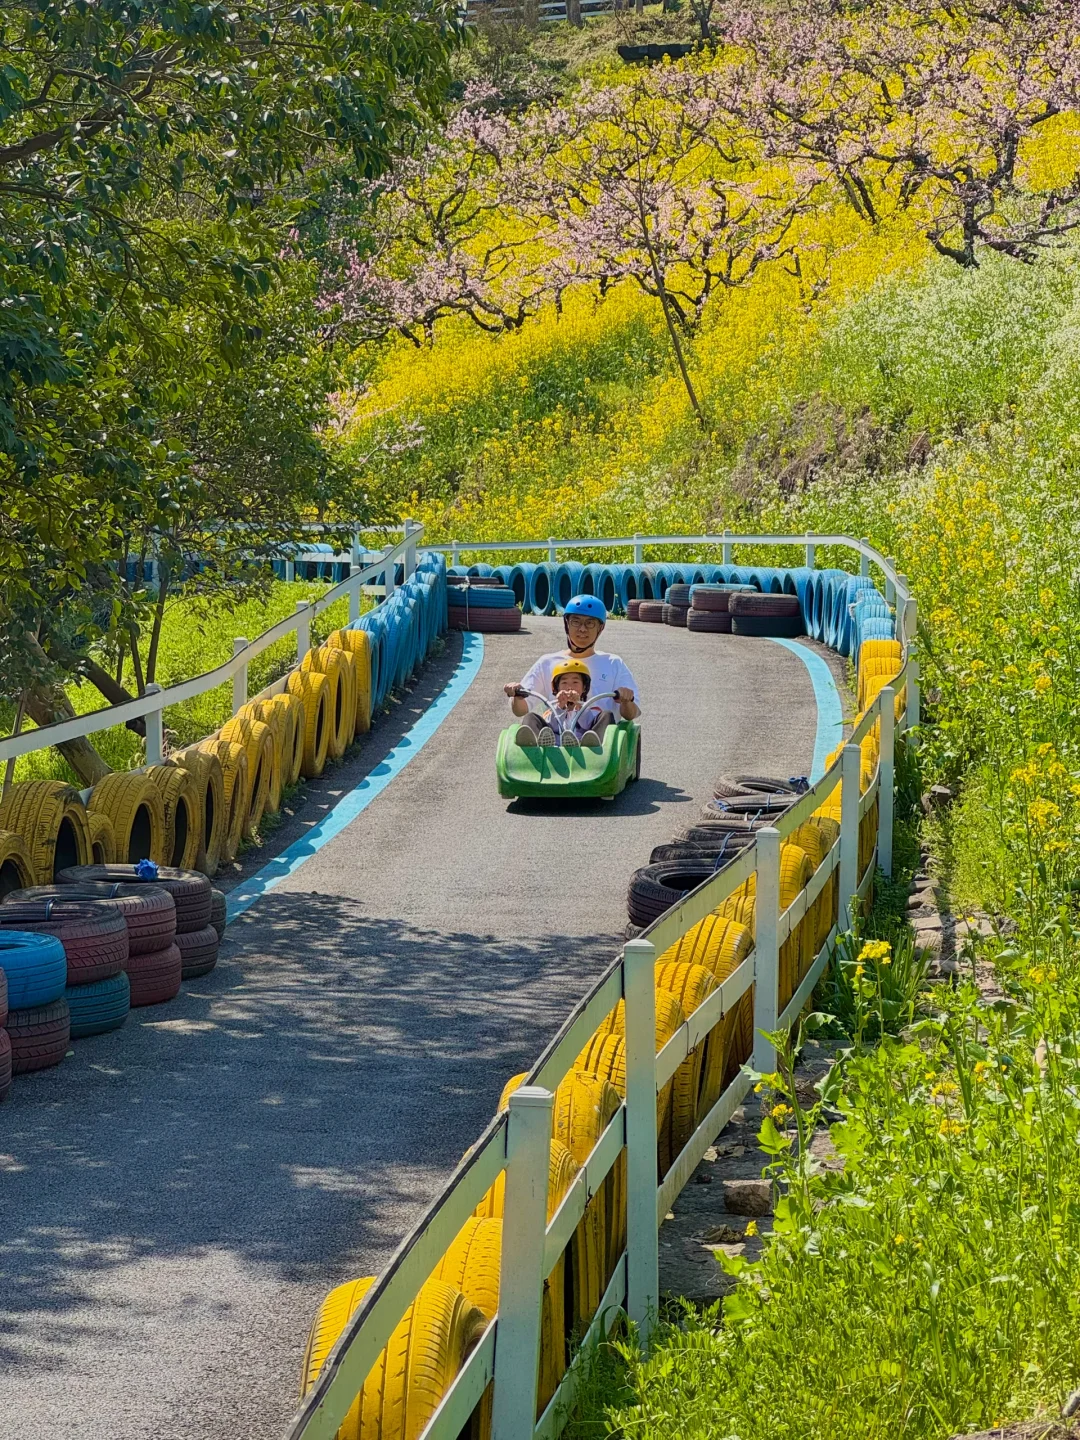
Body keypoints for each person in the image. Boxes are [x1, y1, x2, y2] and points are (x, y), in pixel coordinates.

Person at [503, 594, 640, 748]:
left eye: (590, 623)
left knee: (607, 716)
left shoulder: (613, 663)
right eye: (576, 622)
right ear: (567, 623)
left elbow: (631, 714)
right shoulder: (547, 662)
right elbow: (520, 710)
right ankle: (537, 746)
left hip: (600, 747)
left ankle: (591, 744)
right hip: (554, 733)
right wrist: (517, 695)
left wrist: (626, 700)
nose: (582, 629)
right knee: (530, 718)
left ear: (600, 628)